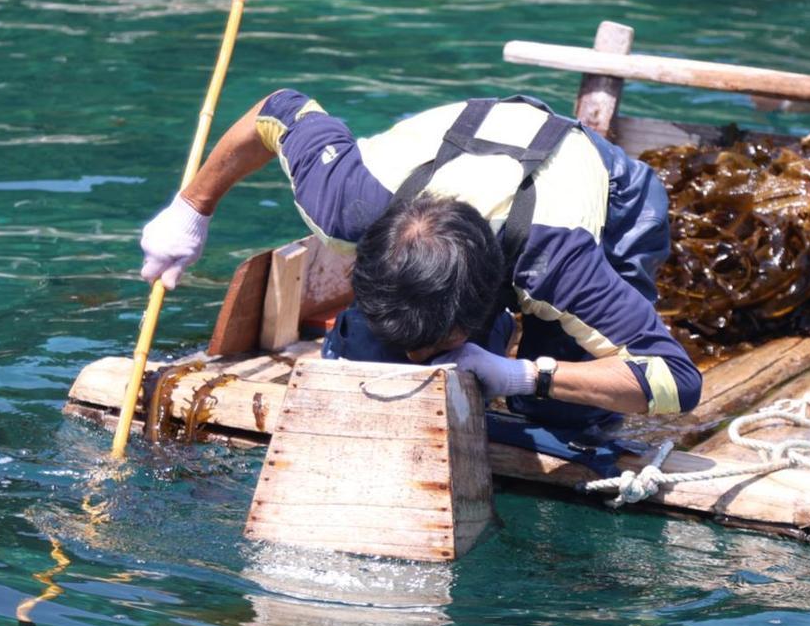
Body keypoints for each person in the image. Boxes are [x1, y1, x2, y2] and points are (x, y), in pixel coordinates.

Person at [138, 90, 701, 431]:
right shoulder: (346, 202)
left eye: (434, 341)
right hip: (461, 147)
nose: (418, 356)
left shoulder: (557, 263)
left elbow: (676, 381)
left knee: (568, 417)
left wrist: (525, 375)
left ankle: (518, 364)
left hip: (610, 186)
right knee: (372, 362)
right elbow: (279, 110)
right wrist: (192, 208)